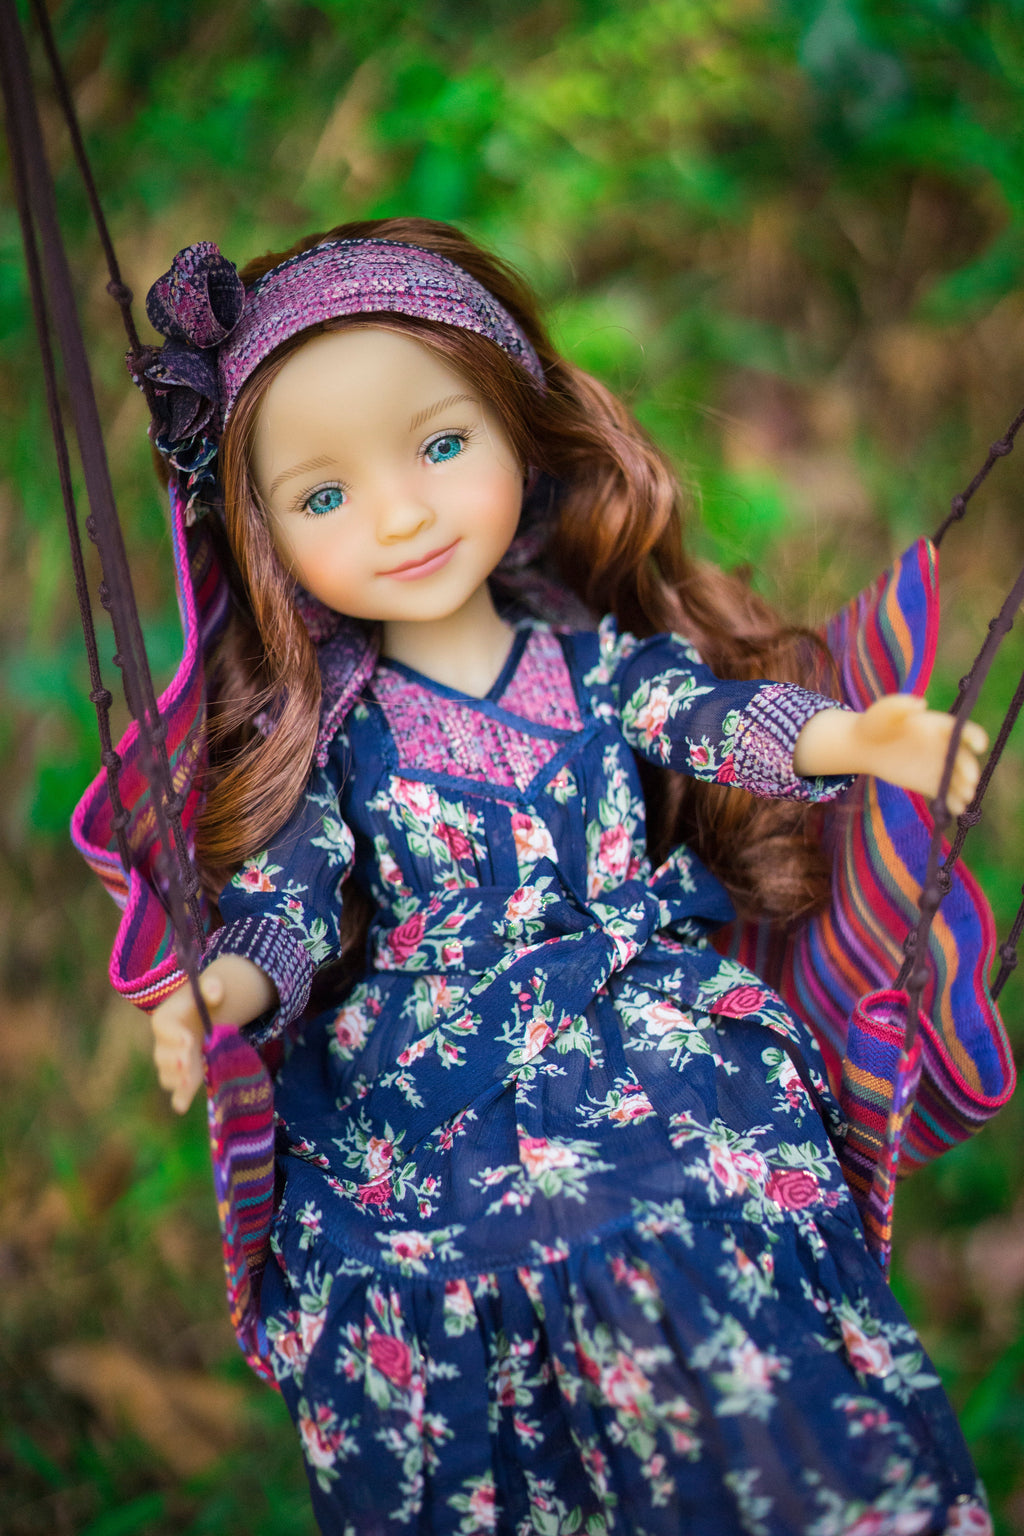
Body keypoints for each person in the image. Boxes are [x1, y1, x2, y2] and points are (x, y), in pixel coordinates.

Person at [135, 220, 990, 1534]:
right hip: (443, 1064)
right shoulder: (348, 739)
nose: (405, 514)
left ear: (519, 430)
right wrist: (220, 990)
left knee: (708, 1183)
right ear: (264, 540)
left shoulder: (584, 662)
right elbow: (296, 898)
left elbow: (704, 717)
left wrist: (852, 738)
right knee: (485, 1254)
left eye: (440, 446)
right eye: (324, 497)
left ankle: (766, 1475)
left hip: (646, 1023)